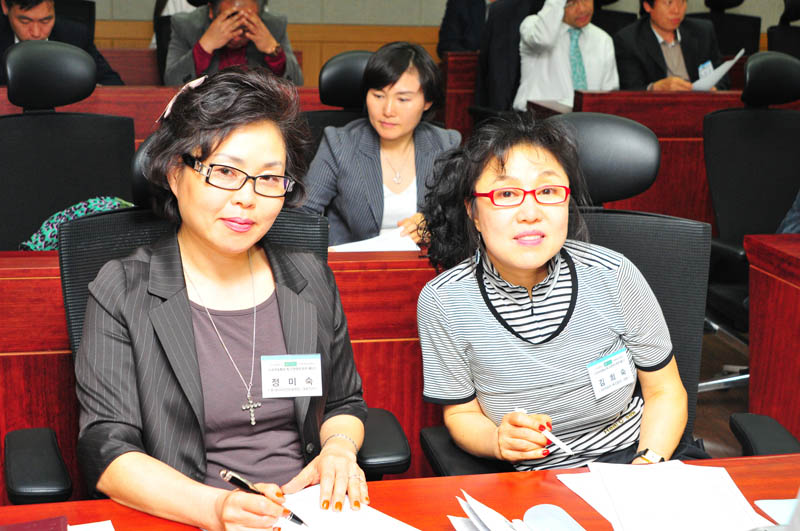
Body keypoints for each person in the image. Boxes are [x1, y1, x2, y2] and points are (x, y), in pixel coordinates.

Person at [75, 67, 368, 530]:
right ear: (175, 172)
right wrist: (214, 508)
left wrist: (339, 449)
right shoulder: (123, 289)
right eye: (226, 172)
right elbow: (108, 447)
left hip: (311, 515)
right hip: (184, 517)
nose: (248, 198)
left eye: (269, 178)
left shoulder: (309, 279)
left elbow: (343, 403)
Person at [418, 113, 693, 470]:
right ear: (473, 211)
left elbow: (665, 391)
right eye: (506, 194)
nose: (530, 213)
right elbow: (462, 414)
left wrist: (646, 466)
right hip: (529, 474)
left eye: (547, 191)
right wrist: (498, 441)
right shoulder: (444, 301)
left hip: (638, 455)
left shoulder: (614, 274)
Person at [301, 42, 461, 247]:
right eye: (378, 96)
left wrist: (435, 227)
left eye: (403, 99)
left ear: (427, 102)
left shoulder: (445, 145)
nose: (388, 110)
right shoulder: (340, 144)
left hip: (424, 263)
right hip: (354, 264)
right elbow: (302, 214)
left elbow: (464, 218)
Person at [165, 0, 302, 86]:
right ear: (211, 11)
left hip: (258, 111)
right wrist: (204, 47)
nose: (237, 36)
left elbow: (297, 85)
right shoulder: (185, 25)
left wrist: (273, 50)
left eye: (246, 24)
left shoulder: (274, 26)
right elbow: (172, 83)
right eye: (230, 21)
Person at [512, 0, 618, 110]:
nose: (582, 9)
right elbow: (544, 40)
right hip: (537, 117)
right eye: (571, 3)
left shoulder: (603, 39)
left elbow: (609, 95)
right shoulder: (533, 26)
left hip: (588, 118)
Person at [0, 0, 123, 85]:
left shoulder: (74, 35)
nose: (36, 33)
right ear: (5, 6)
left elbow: (112, 82)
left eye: (45, 21)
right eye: (25, 22)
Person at [614, 0, 729, 91]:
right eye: (669, 2)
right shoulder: (629, 40)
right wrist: (654, 88)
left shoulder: (702, 32)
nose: (677, 10)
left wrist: (715, 89)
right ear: (648, 6)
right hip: (658, 109)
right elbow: (630, 89)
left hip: (702, 105)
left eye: (682, 2)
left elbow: (723, 79)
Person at [475, 0, 544, 111]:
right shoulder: (501, 10)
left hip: (551, 106)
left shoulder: (564, 12)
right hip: (507, 108)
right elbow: (486, 68)